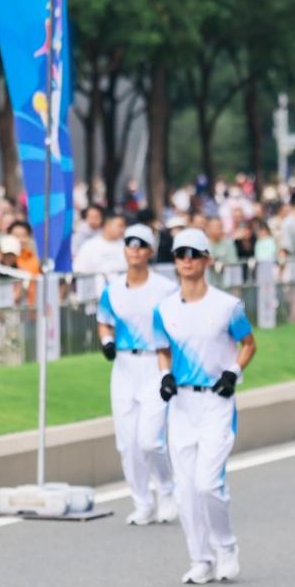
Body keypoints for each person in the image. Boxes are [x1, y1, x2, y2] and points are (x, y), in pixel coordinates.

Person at [152, 228, 255, 584]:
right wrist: (164, 375)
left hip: (216, 402)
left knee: (208, 483)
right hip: (181, 405)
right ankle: (201, 559)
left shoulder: (228, 306)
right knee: (185, 488)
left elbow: (248, 344)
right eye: (181, 254)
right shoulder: (164, 309)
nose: (187, 260)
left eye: (194, 254)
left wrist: (233, 372)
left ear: (207, 259)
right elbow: (162, 348)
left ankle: (225, 547)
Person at [98, 224, 179, 526]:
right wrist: (106, 341)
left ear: (149, 252)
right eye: (129, 244)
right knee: (127, 442)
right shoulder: (113, 290)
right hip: (123, 367)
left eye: (141, 245)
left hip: (155, 364)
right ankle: (142, 501)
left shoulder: (165, 288)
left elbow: (175, 326)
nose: (134, 249)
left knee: (150, 440)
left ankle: (167, 490)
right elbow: (104, 321)